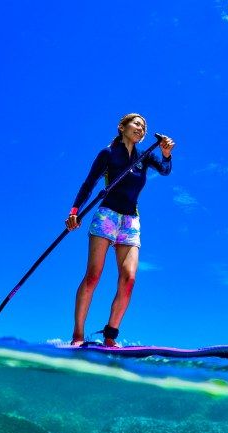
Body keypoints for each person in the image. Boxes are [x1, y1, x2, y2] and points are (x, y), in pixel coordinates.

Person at [65, 113, 174, 346]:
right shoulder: (108, 153)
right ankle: (77, 335)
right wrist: (75, 211)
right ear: (122, 127)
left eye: (144, 126)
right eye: (137, 123)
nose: (141, 128)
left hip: (130, 221)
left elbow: (165, 170)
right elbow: (89, 183)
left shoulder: (145, 157)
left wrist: (166, 154)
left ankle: (110, 336)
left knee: (129, 278)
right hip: (107, 216)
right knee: (93, 276)